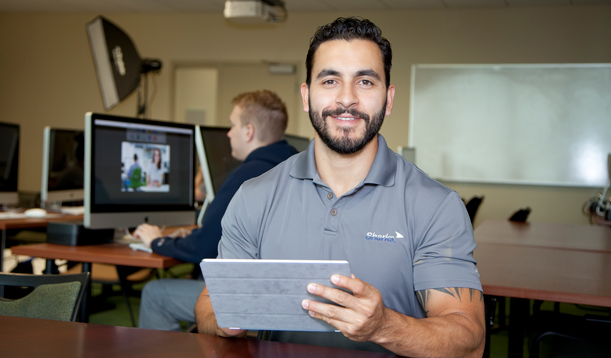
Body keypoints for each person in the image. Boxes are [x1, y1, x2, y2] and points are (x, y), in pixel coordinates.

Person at [195, 17, 485, 357]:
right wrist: (225, 318)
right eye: (330, 80)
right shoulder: (254, 196)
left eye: (365, 81)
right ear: (306, 96)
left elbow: (469, 339)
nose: (346, 99)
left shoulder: (435, 206)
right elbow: (209, 304)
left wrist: (384, 326)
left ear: (388, 99)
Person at [133, 90, 298, 331]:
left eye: (232, 125)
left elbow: (204, 247)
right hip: (287, 290)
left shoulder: (248, 177)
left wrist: (157, 241)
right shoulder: (294, 162)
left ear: (249, 131)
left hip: (256, 297)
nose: (229, 134)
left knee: (155, 293)